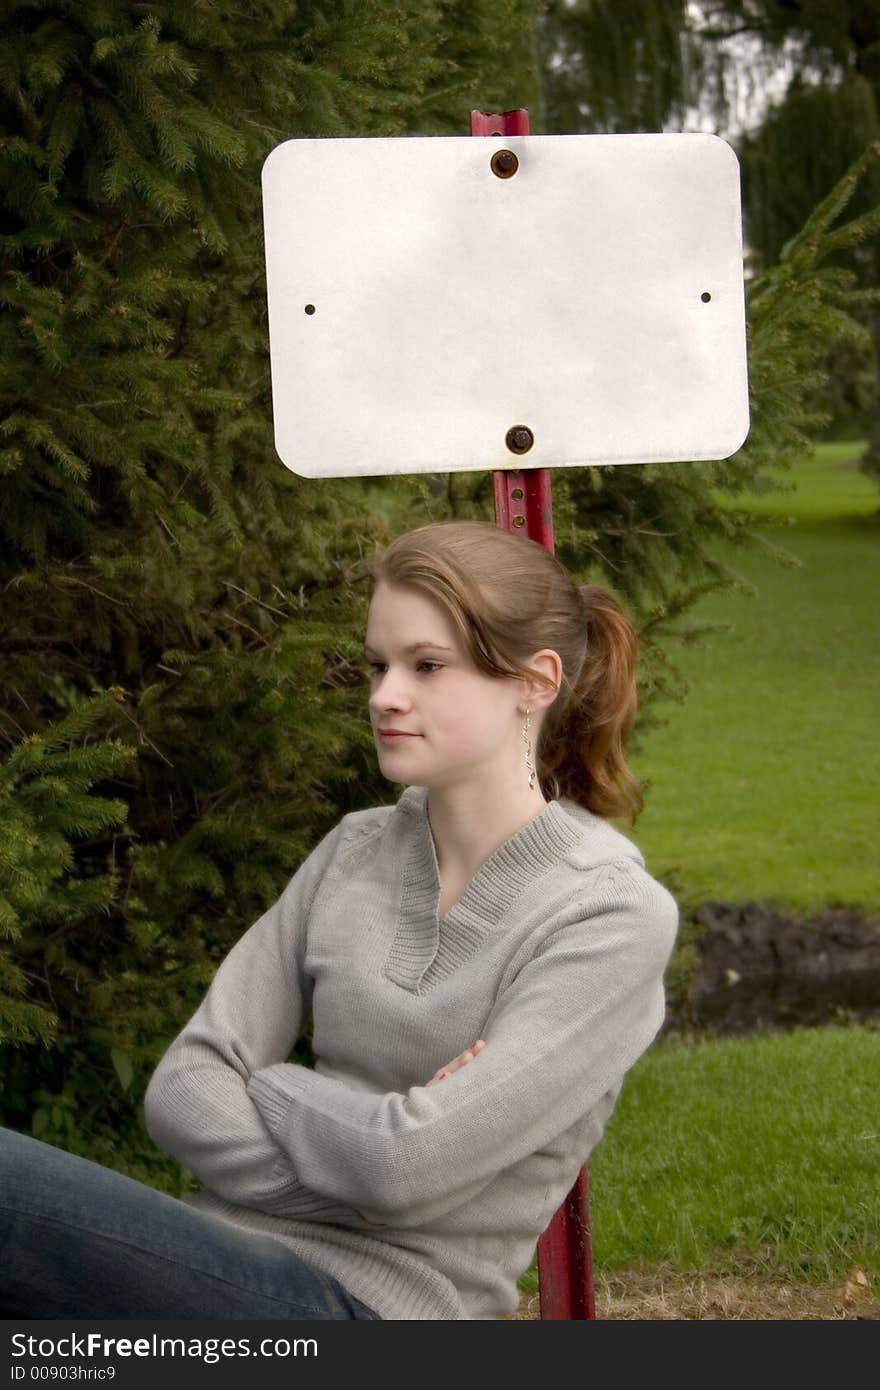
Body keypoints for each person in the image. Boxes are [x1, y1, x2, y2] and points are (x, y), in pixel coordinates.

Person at [0, 519, 678, 1321]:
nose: (384, 695)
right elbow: (183, 1087)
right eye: (379, 664)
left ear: (535, 682)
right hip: (213, 1263)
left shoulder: (606, 915)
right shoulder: (356, 849)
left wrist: (272, 1090)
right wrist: (373, 1164)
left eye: (427, 666)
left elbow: (404, 1162)